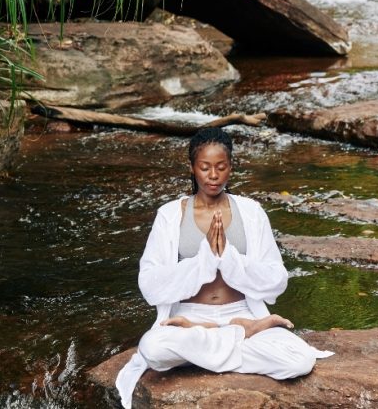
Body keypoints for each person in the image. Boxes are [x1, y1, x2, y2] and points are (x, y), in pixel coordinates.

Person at [116, 127, 333, 408]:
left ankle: (221, 337)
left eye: (220, 167)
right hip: (189, 317)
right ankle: (239, 333)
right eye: (205, 167)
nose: (213, 175)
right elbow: (150, 283)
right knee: (152, 349)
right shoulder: (170, 215)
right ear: (192, 168)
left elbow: (277, 279)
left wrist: (229, 258)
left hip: (241, 312)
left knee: (300, 360)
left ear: (231, 167)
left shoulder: (252, 212)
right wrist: (203, 260)